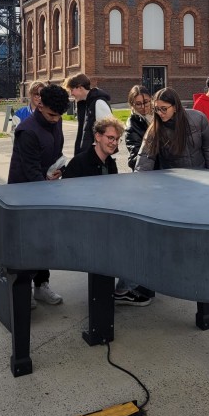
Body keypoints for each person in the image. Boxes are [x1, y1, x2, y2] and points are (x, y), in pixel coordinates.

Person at [63, 117, 152, 307]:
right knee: (133, 242)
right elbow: (68, 201)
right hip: (86, 226)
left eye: (117, 139)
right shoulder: (80, 163)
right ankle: (123, 289)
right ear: (97, 136)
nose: (113, 142)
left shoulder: (110, 164)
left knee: (143, 233)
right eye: (110, 138)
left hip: (103, 222)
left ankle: (128, 284)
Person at [8, 83, 70, 306]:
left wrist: (59, 170)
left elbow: (58, 151)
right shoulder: (27, 130)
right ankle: (21, 288)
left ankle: (41, 285)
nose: (55, 119)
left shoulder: (57, 119)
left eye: (59, 115)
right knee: (28, 240)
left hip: (44, 185)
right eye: (52, 115)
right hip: (25, 190)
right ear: (40, 105)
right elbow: (30, 169)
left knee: (45, 238)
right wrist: (45, 182)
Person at [135, 87, 209, 172]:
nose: (159, 113)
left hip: (200, 174)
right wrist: (140, 181)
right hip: (174, 180)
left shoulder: (198, 118)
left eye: (164, 109)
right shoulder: (154, 129)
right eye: (156, 109)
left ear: (175, 107)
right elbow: (145, 159)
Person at [64, 73, 111, 155]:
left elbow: (108, 131)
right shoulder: (84, 104)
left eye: (72, 90)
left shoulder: (99, 103)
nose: (71, 94)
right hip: (85, 157)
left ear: (80, 88)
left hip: (95, 157)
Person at [124, 85, 153, 170]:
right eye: (138, 104)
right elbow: (136, 157)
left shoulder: (160, 115)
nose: (143, 107)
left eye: (146, 102)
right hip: (147, 171)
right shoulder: (131, 125)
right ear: (132, 104)